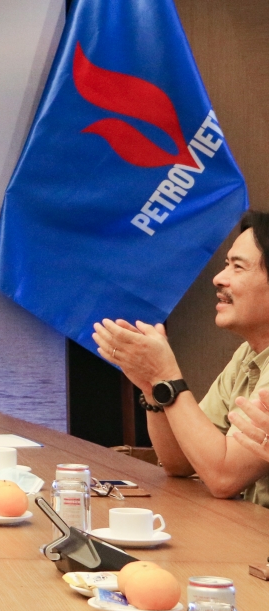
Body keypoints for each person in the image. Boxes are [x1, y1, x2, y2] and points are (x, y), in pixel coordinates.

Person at [93, 211, 269, 504]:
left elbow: (223, 477)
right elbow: (181, 462)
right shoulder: (248, 353)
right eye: (226, 264)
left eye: (238, 267)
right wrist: (155, 388)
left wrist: (167, 376)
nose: (219, 278)